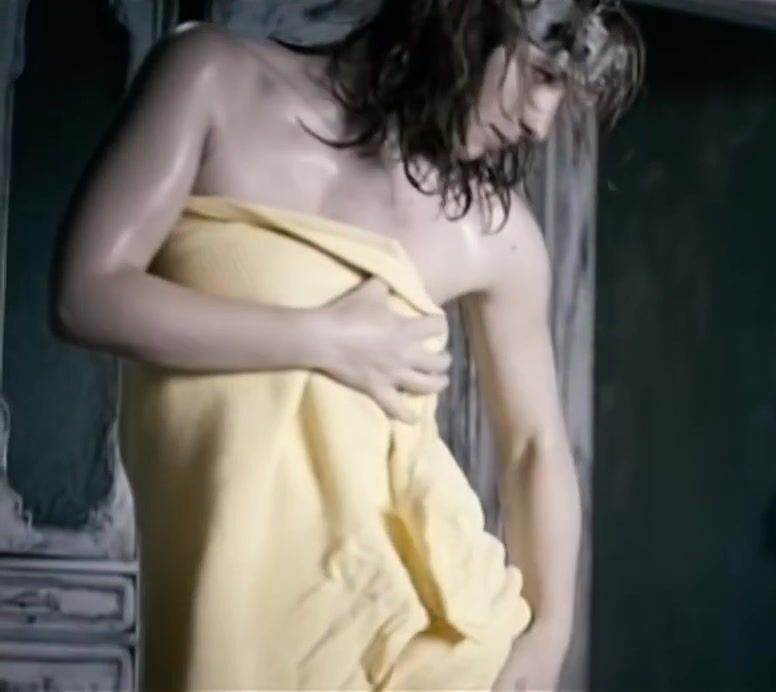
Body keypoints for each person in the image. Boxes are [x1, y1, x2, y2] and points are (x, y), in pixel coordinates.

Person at [50, 0, 642, 689]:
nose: (540, 122)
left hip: (435, 644)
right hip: (236, 635)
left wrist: (550, 634)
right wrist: (322, 337)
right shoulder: (212, 78)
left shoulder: (493, 231)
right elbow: (84, 294)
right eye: (543, 76)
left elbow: (534, 445)